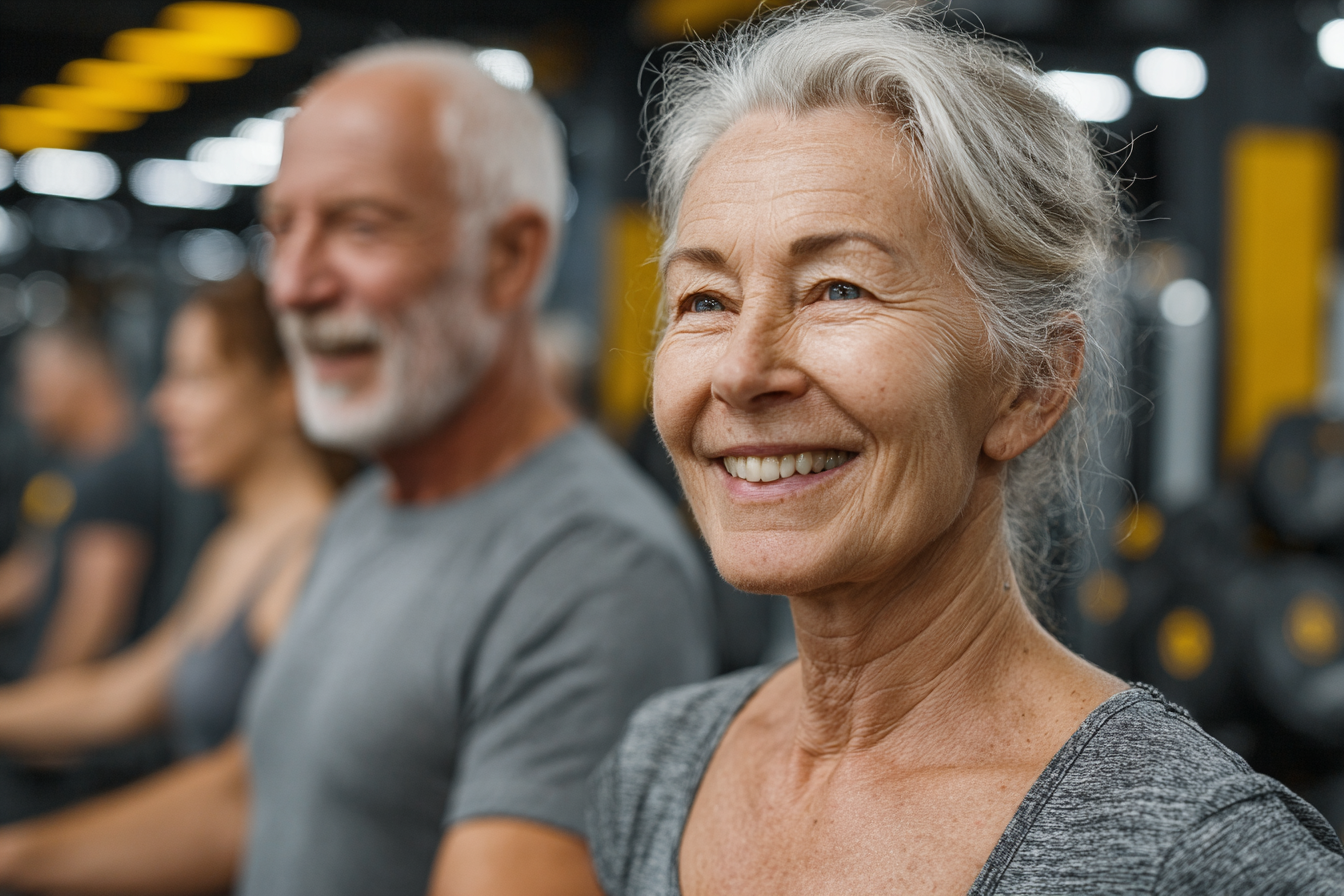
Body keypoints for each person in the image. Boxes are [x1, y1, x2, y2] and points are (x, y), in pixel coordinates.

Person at [588, 8, 1344, 896]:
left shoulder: (1192, 857)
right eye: (705, 299)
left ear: (1029, 385)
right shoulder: (660, 771)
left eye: (839, 289)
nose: (744, 371)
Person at [240, 40, 715, 896]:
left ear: (511, 258)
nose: (294, 285)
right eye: (280, 229)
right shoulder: (371, 507)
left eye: (359, 225)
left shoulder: (594, 568)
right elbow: (280, 796)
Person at [0, 273, 343, 892]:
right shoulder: (236, 543)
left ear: (284, 391)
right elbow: (123, 694)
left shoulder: (316, 560)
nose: (161, 405)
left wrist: (17, 856)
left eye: (196, 378)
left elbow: (243, 800)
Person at [0, 321, 161, 680]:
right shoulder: (71, 466)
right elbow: (34, 568)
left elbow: (92, 622)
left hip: (65, 703)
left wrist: (34, 712)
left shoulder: (120, 473)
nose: (24, 404)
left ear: (77, 379)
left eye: (34, 386)